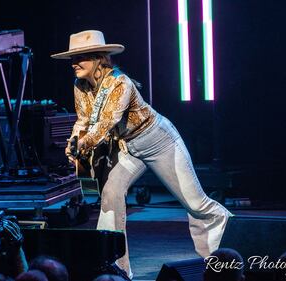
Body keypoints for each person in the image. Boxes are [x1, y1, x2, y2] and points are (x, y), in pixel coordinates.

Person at [51, 30, 232, 279]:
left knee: (196, 204)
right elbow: (83, 121)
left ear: (98, 58)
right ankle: (114, 268)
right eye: (73, 58)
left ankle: (228, 255)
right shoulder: (80, 86)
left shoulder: (120, 83)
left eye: (80, 57)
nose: (74, 64)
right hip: (130, 147)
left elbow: (105, 124)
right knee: (110, 195)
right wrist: (73, 142)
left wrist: (82, 145)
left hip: (159, 141)